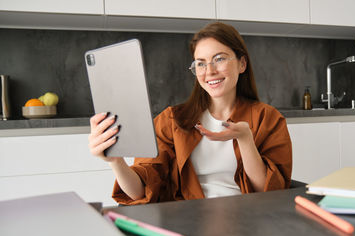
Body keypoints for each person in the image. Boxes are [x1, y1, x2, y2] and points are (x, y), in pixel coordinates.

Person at [88, 22, 292, 205]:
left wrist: (245, 139)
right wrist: (116, 161)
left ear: (242, 64)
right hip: (188, 221)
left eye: (219, 59)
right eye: (201, 63)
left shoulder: (268, 119)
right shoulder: (171, 121)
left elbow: (271, 194)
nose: (209, 71)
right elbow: (139, 192)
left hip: (247, 220)